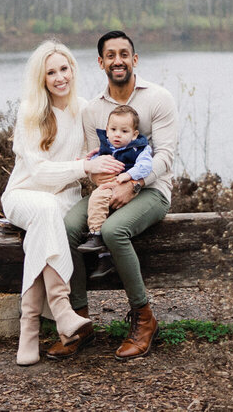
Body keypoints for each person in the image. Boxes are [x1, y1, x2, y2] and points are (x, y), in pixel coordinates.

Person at [48, 30, 179, 361]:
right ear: (101, 62)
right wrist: (107, 184)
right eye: (110, 55)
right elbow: (97, 159)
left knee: (113, 230)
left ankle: (144, 318)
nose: (117, 60)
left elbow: (165, 158)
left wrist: (132, 184)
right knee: (66, 227)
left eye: (124, 54)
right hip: (107, 189)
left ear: (134, 60)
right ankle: (79, 321)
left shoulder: (159, 98)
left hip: (152, 189)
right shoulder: (93, 110)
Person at [0, 39, 126, 365]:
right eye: (51, 72)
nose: (59, 77)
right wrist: (84, 166)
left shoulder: (83, 109)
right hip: (24, 195)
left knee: (49, 219)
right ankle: (60, 311)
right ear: (41, 78)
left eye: (64, 69)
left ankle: (30, 328)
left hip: (64, 200)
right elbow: (39, 172)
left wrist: (113, 171)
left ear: (73, 69)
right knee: (44, 210)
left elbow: (94, 157)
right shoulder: (30, 111)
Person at [77, 104, 154, 254]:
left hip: (125, 186)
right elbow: (95, 161)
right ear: (107, 131)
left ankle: (95, 234)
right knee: (100, 204)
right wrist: (86, 162)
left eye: (124, 131)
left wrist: (130, 175)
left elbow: (146, 166)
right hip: (109, 184)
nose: (117, 134)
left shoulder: (139, 149)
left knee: (97, 198)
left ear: (134, 134)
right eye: (113, 130)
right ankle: (104, 254)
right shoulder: (106, 148)